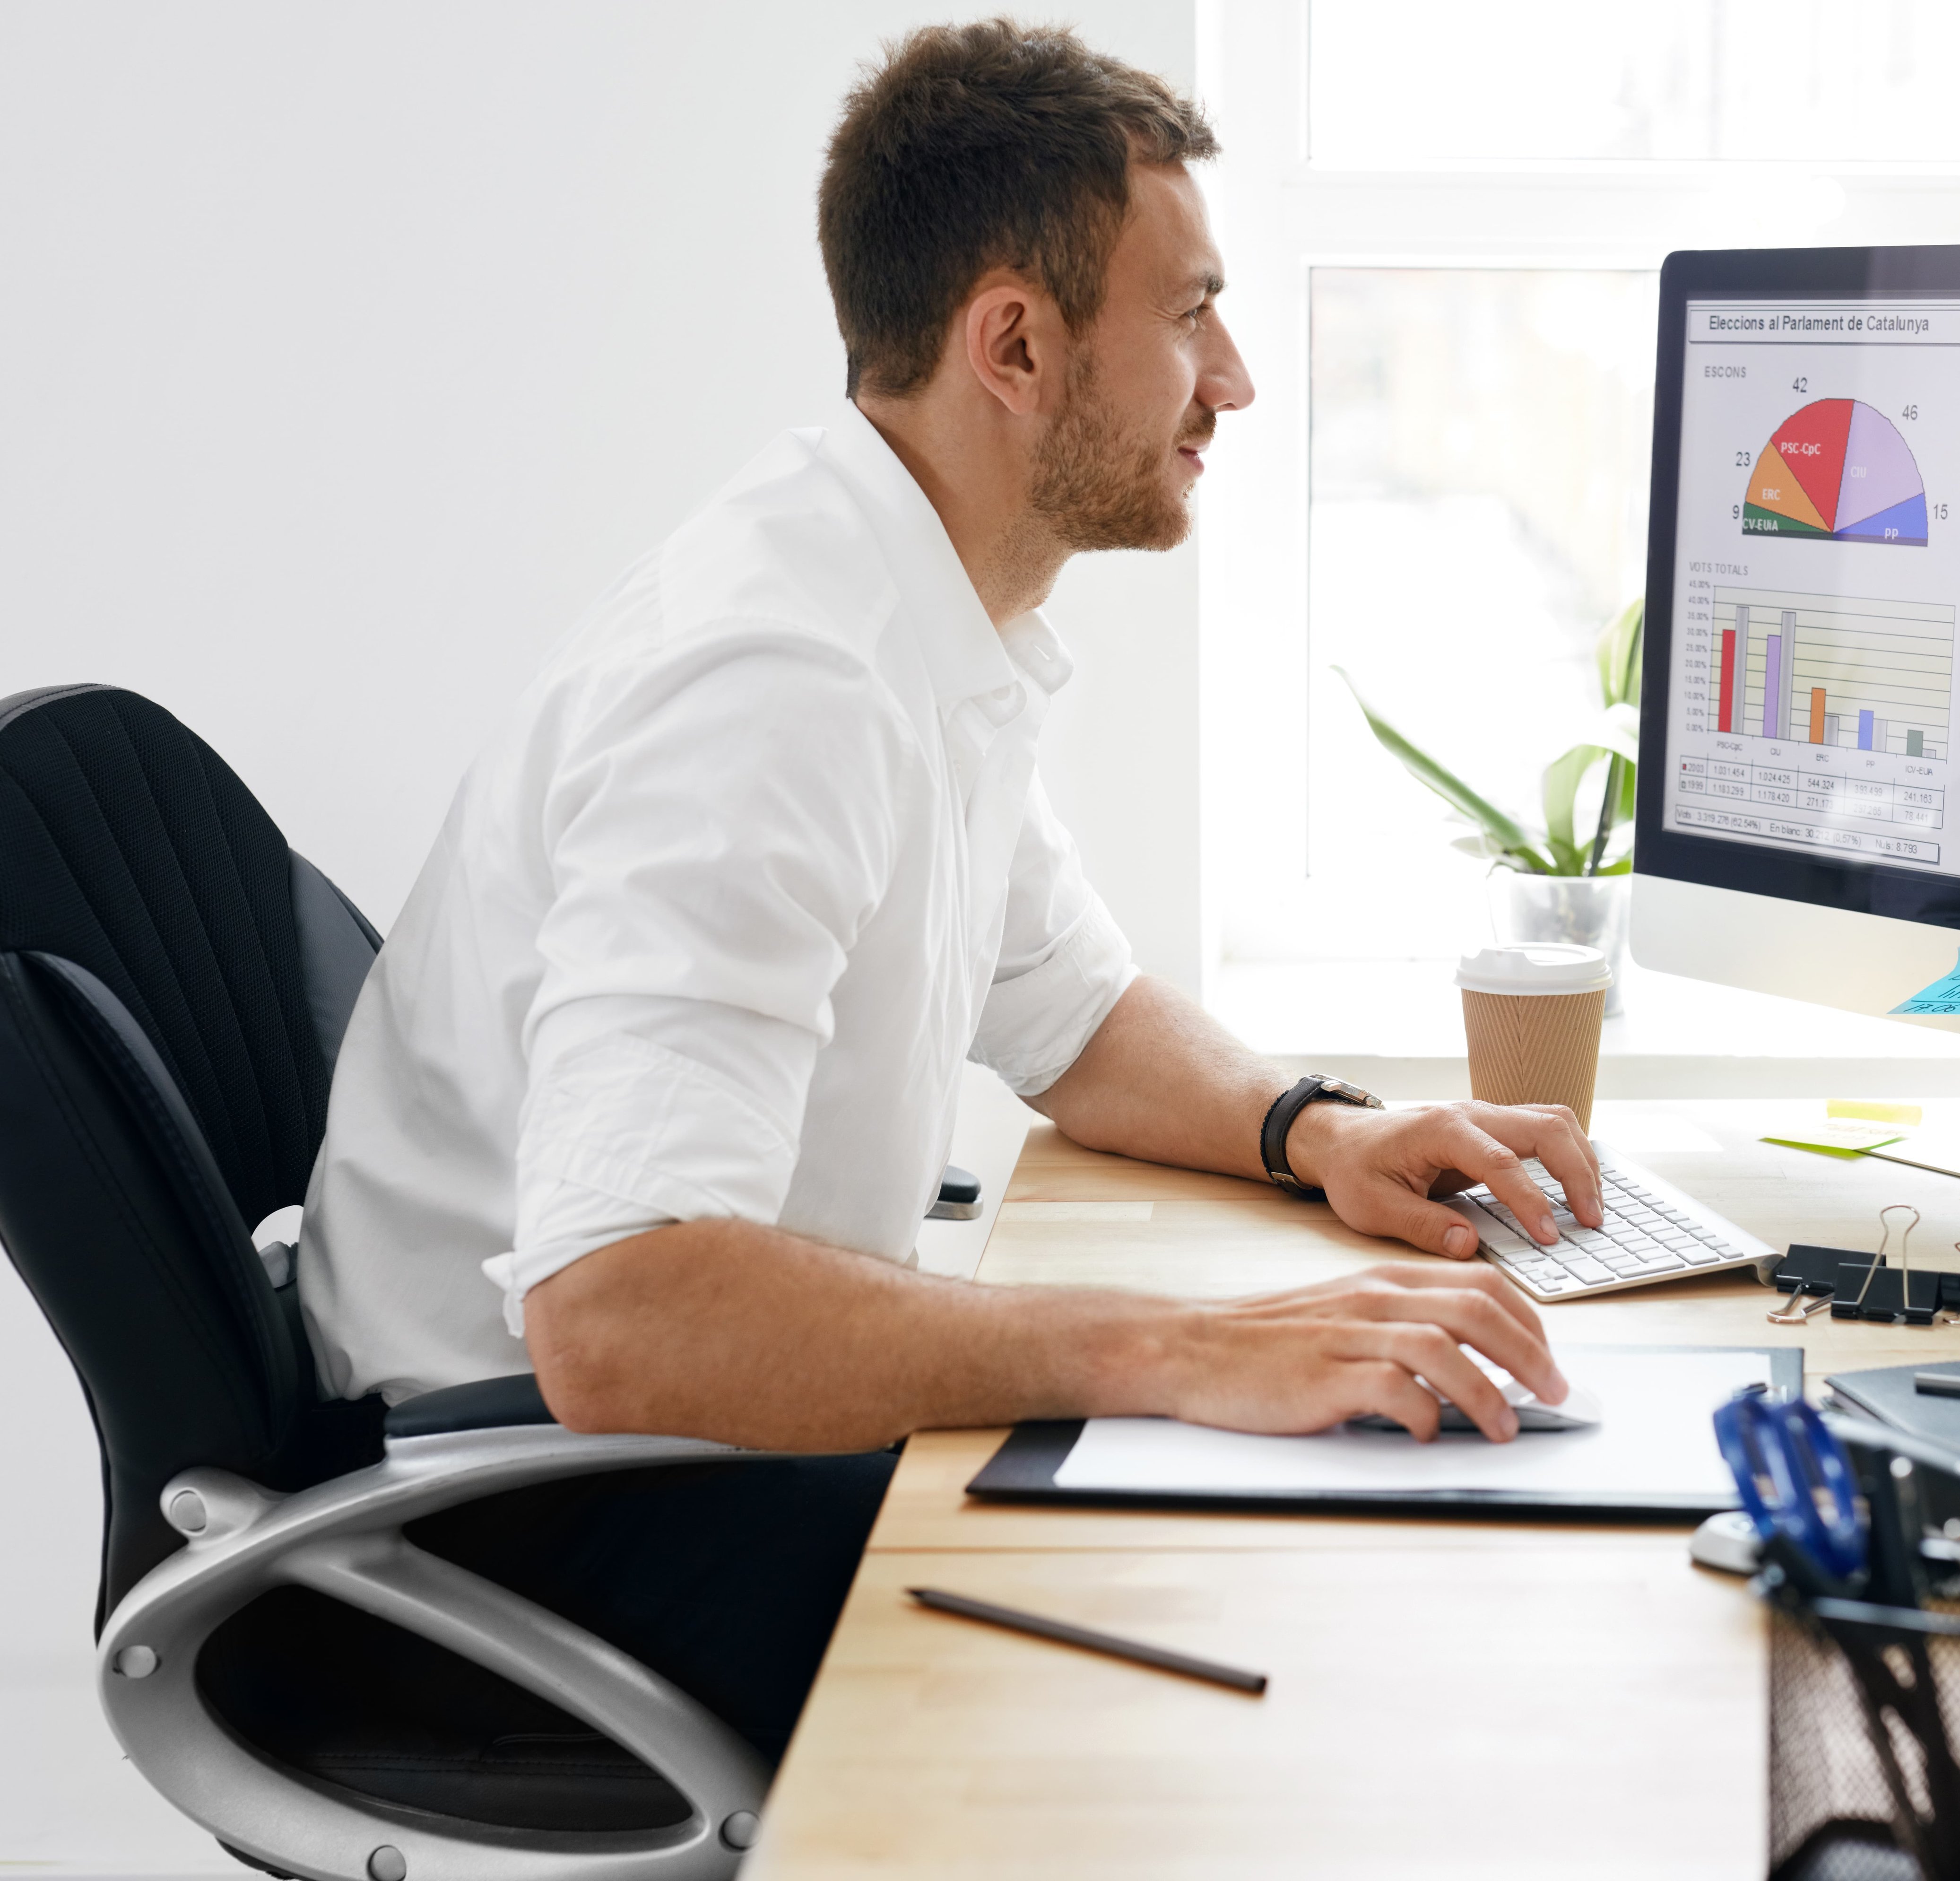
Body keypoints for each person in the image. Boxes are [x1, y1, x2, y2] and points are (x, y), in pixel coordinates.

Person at [289, 20, 1604, 1766]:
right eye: (1190, 311)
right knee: (1240, 1652)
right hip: (521, 1528)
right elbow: (617, 1314)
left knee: (1280, 1562)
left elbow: (1067, 1009)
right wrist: (1189, 1349)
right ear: (1016, 343)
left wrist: (1317, 1128)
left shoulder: (904, 609)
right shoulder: (778, 683)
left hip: (623, 1448)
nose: (1234, 379)